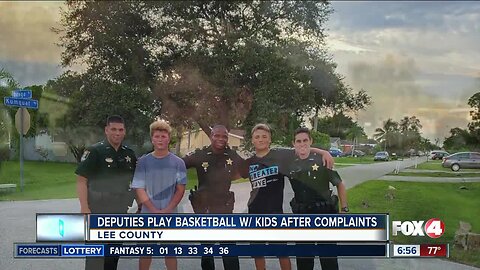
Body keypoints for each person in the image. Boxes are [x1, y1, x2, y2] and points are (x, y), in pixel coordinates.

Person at [242, 124, 334, 270]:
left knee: (281, 252)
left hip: (275, 212)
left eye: (265, 136)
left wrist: (324, 152)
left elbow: (301, 149)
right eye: (257, 137)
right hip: (255, 212)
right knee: (258, 252)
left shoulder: (280, 155)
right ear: (252, 140)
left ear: (270, 139)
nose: (261, 139)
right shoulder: (248, 162)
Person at [75, 115, 137, 270]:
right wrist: (84, 208)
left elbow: (136, 183)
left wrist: (141, 205)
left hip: (119, 212)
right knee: (95, 258)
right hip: (97, 210)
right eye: (113, 129)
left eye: (120, 129)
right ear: (106, 130)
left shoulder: (129, 154)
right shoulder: (95, 151)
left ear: (124, 132)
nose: (117, 133)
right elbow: (81, 180)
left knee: (112, 257)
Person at [183, 125, 243, 270]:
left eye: (224, 136)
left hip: (225, 209)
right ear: (211, 136)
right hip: (205, 210)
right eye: (217, 135)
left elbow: (249, 166)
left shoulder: (232, 156)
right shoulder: (200, 154)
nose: (221, 139)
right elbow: (176, 163)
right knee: (207, 252)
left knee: (229, 251)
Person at [289, 127, 348, 270]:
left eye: (305, 140)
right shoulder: (289, 161)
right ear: (293, 143)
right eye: (298, 141)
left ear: (311, 141)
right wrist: (322, 150)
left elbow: (340, 184)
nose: (302, 144)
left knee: (328, 259)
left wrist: (344, 209)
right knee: (303, 260)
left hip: (324, 214)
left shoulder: (322, 160)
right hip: (302, 217)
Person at [131, 120, 187, 270]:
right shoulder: (143, 162)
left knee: (170, 252)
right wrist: (153, 210)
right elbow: (139, 188)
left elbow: (180, 189)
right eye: (157, 136)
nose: (160, 139)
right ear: (152, 139)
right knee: (145, 252)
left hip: (171, 215)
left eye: (163, 136)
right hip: (147, 215)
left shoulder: (178, 163)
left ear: (169, 138)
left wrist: (168, 209)